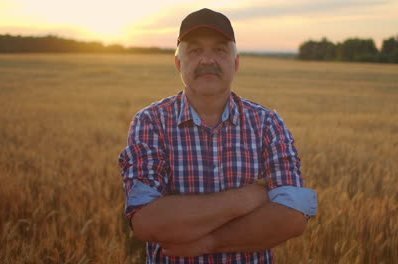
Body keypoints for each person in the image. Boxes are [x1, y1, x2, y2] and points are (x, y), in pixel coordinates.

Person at [118, 8, 318, 264]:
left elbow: (293, 217)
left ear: (235, 63)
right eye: (195, 50)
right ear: (179, 63)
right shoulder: (151, 122)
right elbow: (146, 221)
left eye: (220, 50)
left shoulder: (268, 124)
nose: (207, 60)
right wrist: (249, 197)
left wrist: (208, 243)